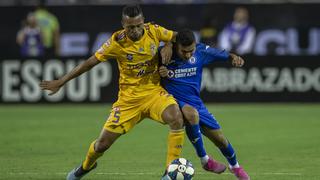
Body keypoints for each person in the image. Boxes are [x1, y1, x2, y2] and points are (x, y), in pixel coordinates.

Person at [39, 4, 185, 180]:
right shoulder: (116, 42)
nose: (136, 30)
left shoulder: (154, 30)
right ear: (123, 24)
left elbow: (177, 36)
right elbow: (89, 63)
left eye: (139, 25)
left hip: (154, 94)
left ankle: (170, 172)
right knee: (102, 145)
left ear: (143, 21)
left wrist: (169, 43)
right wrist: (61, 81)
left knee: (176, 117)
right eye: (131, 27)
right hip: (128, 101)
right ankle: (85, 167)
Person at [159, 29, 250, 180]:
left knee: (220, 139)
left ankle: (235, 167)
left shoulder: (201, 51)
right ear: (176, 46)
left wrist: (234, 58)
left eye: (191, 51)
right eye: (184, 51)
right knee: (190, 113)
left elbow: (224, 54)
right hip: (172, 101)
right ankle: (205, 159)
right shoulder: (164, 54)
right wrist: (160, 71)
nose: (188, 55)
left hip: (196, 101)